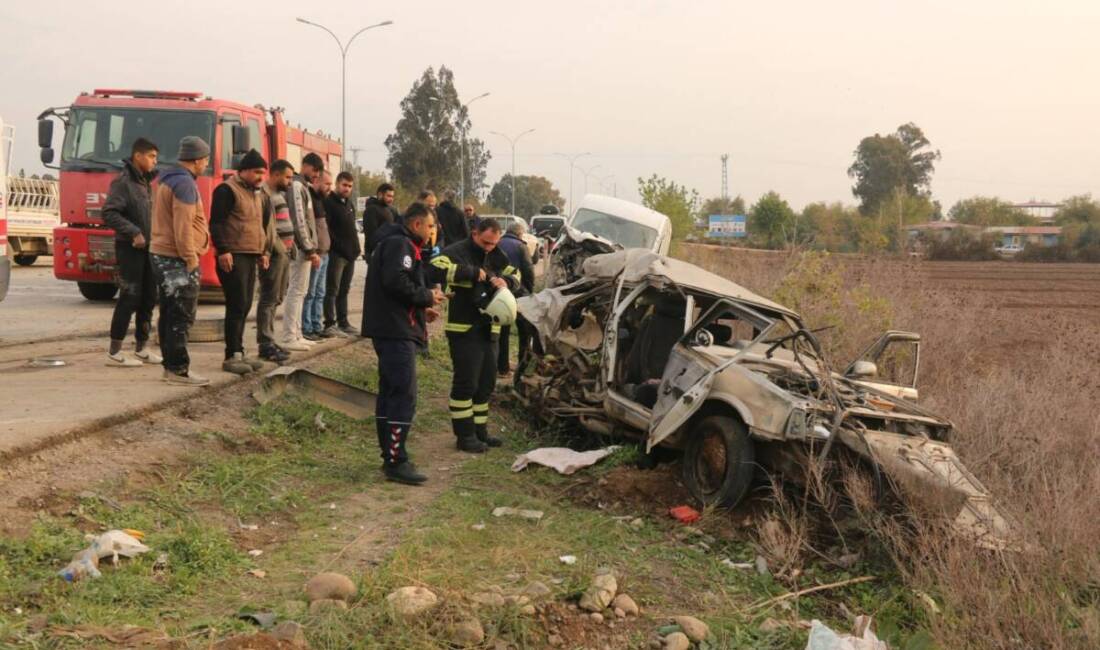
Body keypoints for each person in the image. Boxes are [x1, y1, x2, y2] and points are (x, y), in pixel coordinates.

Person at [361, 201, 446, 485]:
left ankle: (390, 454)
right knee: (402, 394)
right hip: (395, 332)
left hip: (391, 326)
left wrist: (422, 309)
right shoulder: (401, 245)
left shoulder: (394, 243)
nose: (433, 232)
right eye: (431, 226)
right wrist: (427, 297)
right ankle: (397, 460)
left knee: (390, 392)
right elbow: (396, 281)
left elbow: (397, 292)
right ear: (417, 224)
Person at [429, 219, 521, 453]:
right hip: (463, 328)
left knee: (485, 384)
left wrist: (507, 281)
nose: (489, 247)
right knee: (466, 383)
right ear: (474, 234)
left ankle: (480, 431)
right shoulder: (456, 251)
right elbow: (433, 268)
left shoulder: (498, 255)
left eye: (493, 243)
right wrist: (471, 272)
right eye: (485, 242)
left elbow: (516, 275)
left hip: (490, 329)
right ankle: (464, 436)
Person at [149, 136, 211, 386]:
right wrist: (191, 258)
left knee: (170, 312)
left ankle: (170, 366)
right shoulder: (184, 184)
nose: (205, 165)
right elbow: (183, 226)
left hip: (163, 255)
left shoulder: (168, 178)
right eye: (205, 160)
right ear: (197, 160)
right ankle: (177, 369)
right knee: (181, 315)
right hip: (177, 258)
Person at [102, 137, 162, 368]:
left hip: (149, 250)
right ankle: (115, 352)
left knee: (149, 297)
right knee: (129, 297)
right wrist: (134, 232)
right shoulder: (123, 183)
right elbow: (109, 213)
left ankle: (141, 348)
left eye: (155, 157)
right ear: (138, 156)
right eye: (151, 156)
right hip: (130, 249)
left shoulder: (146, 183)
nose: (155, 161)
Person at [209, 149, 270, 375]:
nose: (260, 177)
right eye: (256, 172)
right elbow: (216, 223)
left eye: (263, 173)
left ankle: (240, 350)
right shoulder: (226, 190)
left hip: (251, 254)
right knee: (236, 304)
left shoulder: (257, 194)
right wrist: (223, 250)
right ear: (242, 171)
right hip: (233, 254)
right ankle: (231, 354)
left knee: (245, 305)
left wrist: (264, 251)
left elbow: (260, 226)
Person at [280, 153, 323, 351]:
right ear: (306, 166)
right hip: (300, 250)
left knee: (301, 292)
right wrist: (309, 248)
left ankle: (297, 334)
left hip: (304, 249)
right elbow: (299, 221)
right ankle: (289, 336)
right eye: (315, 171)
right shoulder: (297, 186)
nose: (316, 176)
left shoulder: (303, 187)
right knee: (296, 292)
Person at [257, 159, 296, 363]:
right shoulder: (263, 195)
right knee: (268, 297)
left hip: (285, 253)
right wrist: (267, 251)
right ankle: (265, 343)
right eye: (287, 177)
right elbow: (264, 228)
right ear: (275, 174)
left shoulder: (277, 194)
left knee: (277, 297)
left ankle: (270, 340)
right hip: (273, 253)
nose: (290, 182)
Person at [495, 219, 536, 376]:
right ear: (520, 233)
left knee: (503, 331)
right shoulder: (521, 246)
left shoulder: (497, 242)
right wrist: (530, 292)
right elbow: (529, 271)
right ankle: (522, 367)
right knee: (524, 331)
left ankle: (502, 368)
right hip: (519, 293)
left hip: (500, 292)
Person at [323, 171, 361, 337]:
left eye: (350, 186)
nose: (347, 189)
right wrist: (338, 247)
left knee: (344, 290)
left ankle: (343, 322)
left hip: (351, 255)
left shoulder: (349, 203)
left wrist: (355, 249)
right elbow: (327, 230)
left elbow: (351, 229)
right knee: (332, 290)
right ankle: (329, 324)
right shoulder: (328, 202)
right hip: (337, 255)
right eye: (344, 185)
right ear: (337, 184)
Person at [302, 170, 333, 340]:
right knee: (310, 293)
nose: (330, 187)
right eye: (327, 184)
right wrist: (312, 251)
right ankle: (306, 328)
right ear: (317, 181)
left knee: (320, 293)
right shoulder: (310, 199)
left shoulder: (322, 201)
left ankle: (316, 325)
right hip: (316, 254)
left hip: (325, 254)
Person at [363, 182, 400, 257]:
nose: (391, 199)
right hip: (376, 253)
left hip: (389, 251)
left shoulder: (391, 210)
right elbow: (371, 235)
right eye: (388, 196)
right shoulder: (371, 210)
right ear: (380, 195)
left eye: (392, 196)